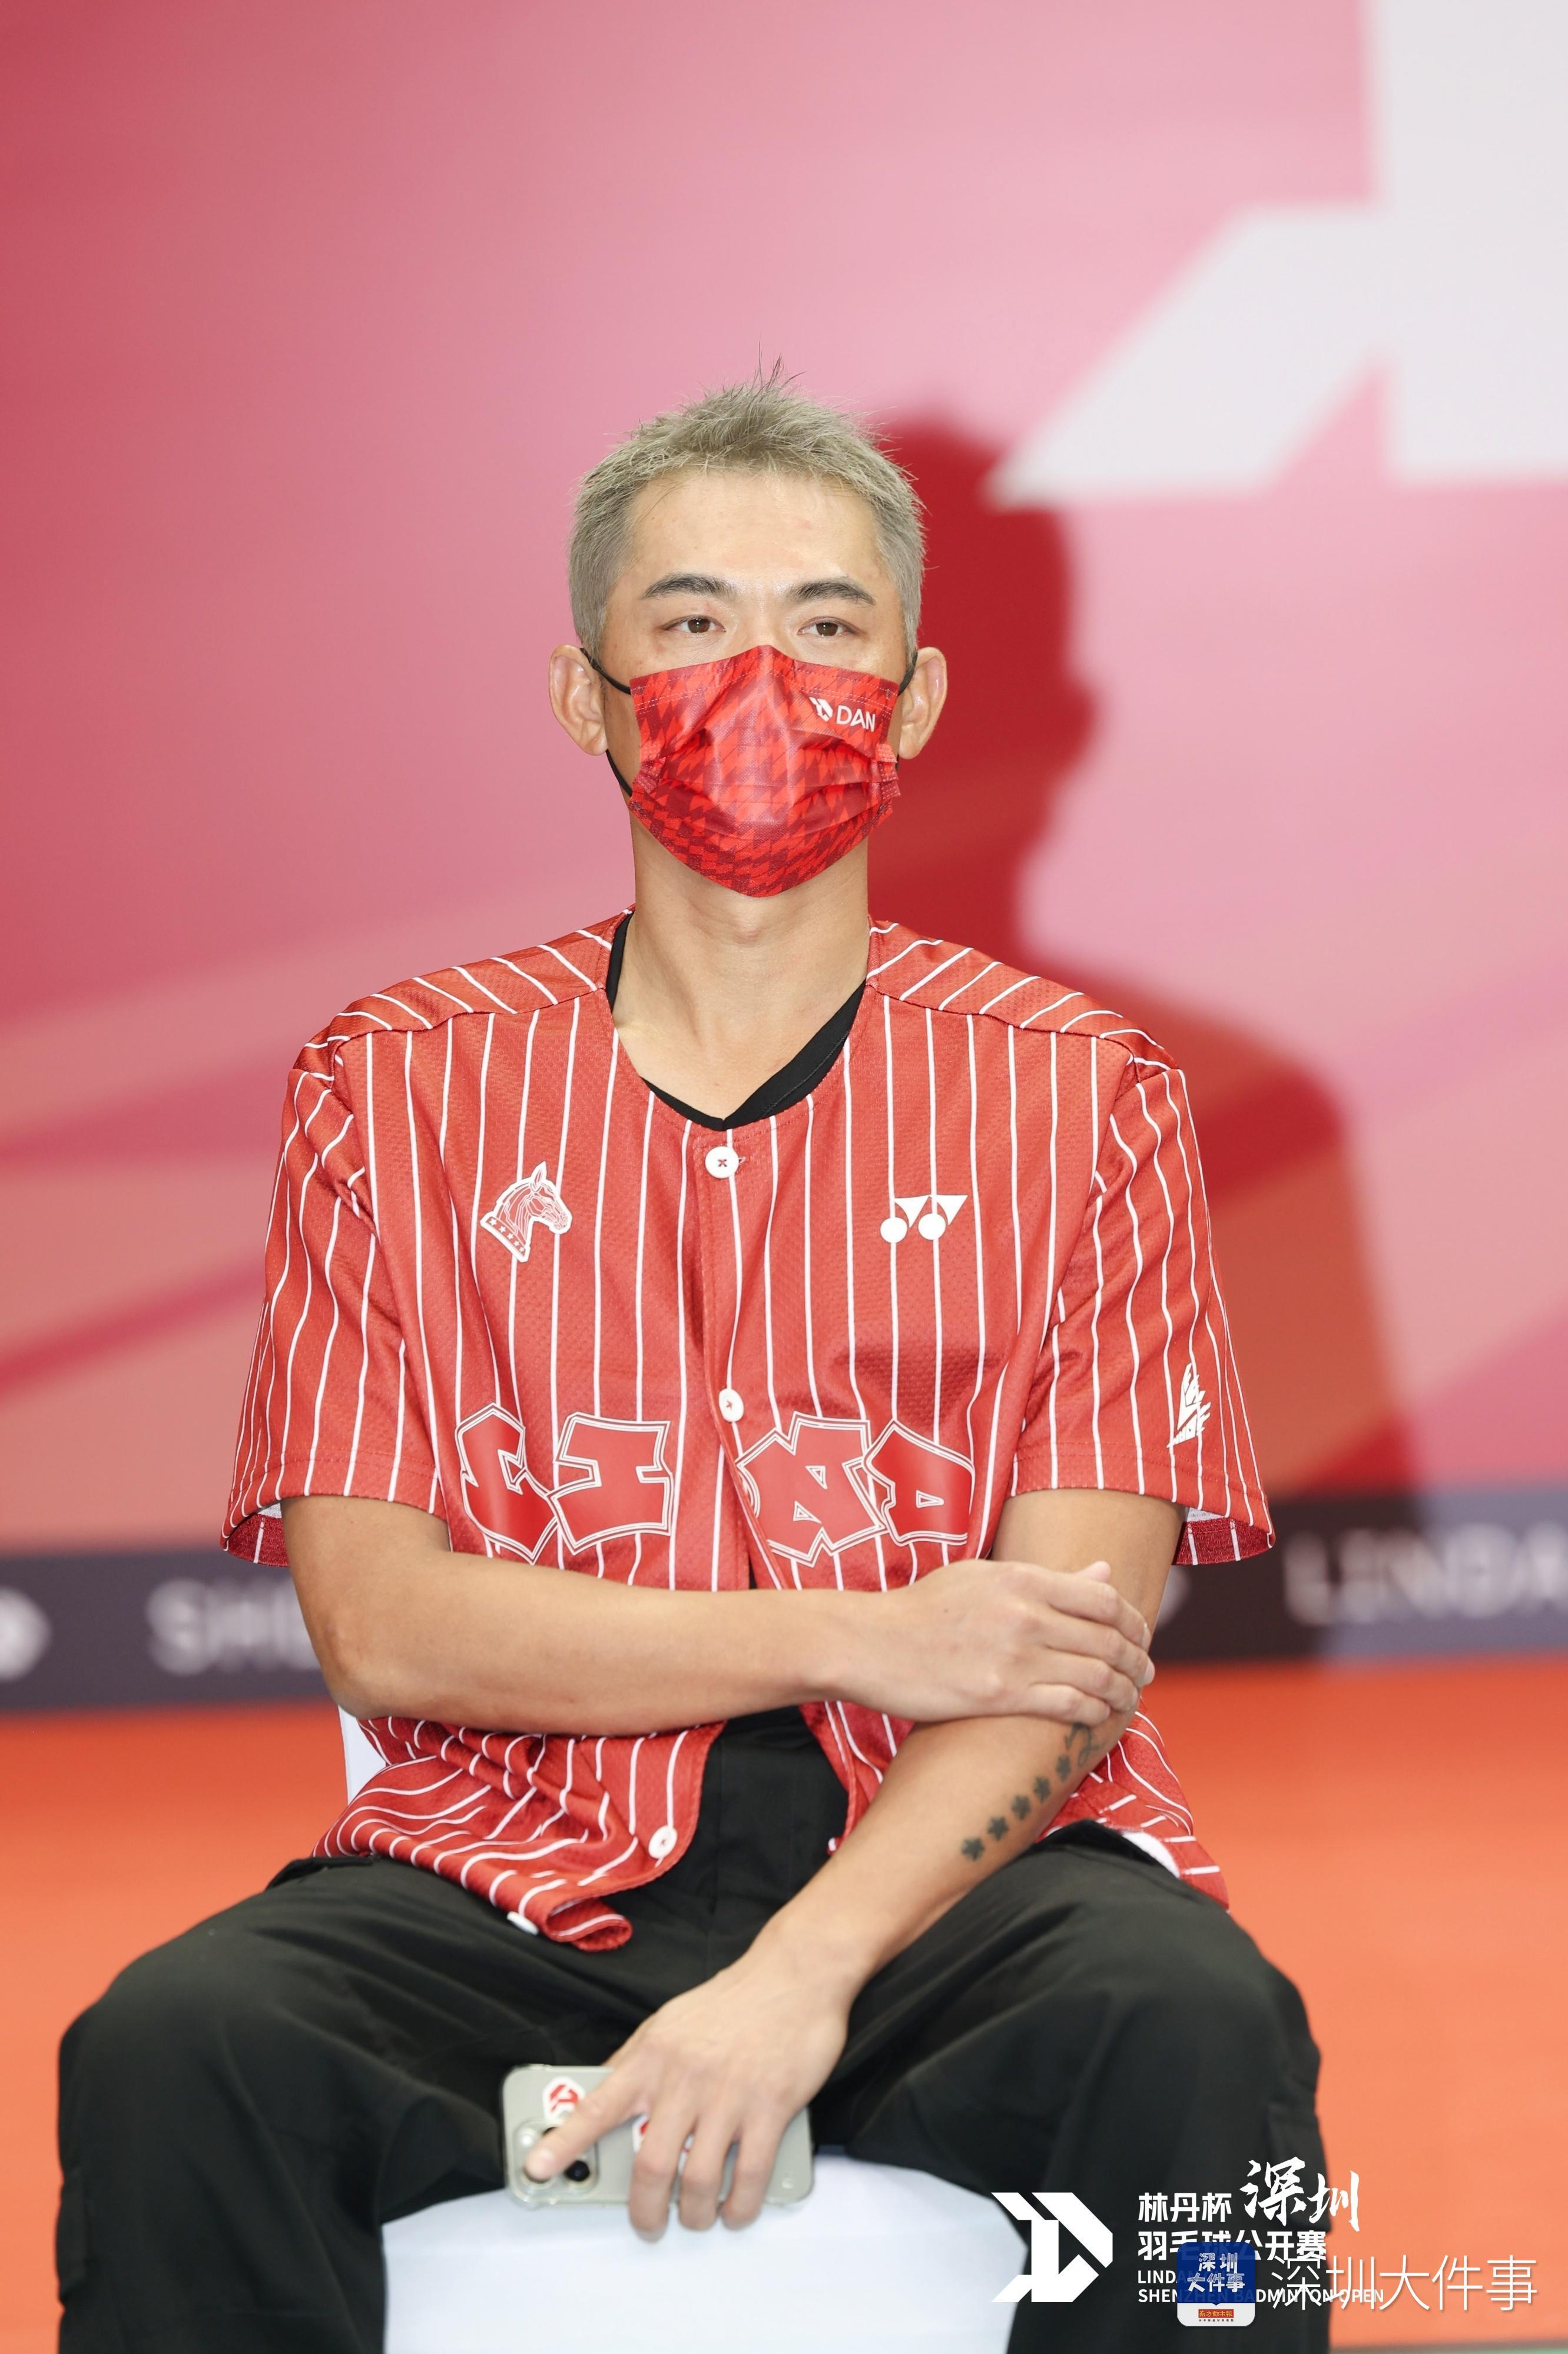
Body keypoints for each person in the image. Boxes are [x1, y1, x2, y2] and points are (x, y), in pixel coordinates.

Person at [57, 370, 1327, 2352]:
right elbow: (382, 1625)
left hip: (952, 1881)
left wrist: (800, 1974)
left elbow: (1060, 1668)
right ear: (587, 696)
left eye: (827, 626)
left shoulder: (1090, 1100)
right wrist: (861, 1633)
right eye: (691, 622)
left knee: (1198, 2032)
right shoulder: (396, 1089)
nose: (762, 686)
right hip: (511, 1872)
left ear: (913, 699)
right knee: (175, 2049)